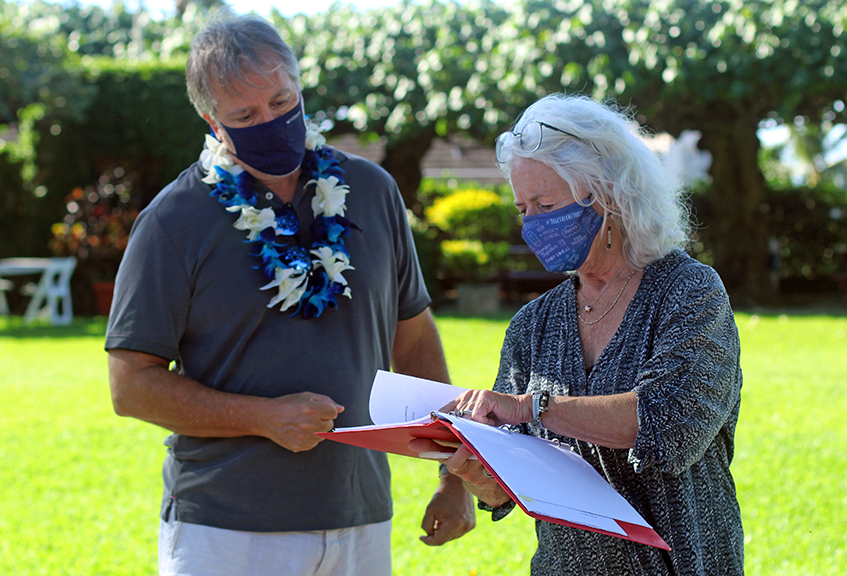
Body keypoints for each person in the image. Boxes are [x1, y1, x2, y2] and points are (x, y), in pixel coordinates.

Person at [105, 10, 474, 576]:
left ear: (300, 87)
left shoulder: (372, 192)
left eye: (281, 102)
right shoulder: (173, 220)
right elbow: (130, 385)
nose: (272, 121)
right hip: (224, 530)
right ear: (211, 121)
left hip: (361, 518)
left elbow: (415, 338)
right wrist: (262, 417)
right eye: (246, 115)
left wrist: (453, 475)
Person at [411, 94, 744, 575]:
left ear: (607, 193)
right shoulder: (533, 325)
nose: (532, 223)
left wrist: (530, 406)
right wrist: (470, 468)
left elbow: (673, 426)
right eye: (523, 207)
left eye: (546, 204)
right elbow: (512, 481)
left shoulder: (688, 291)